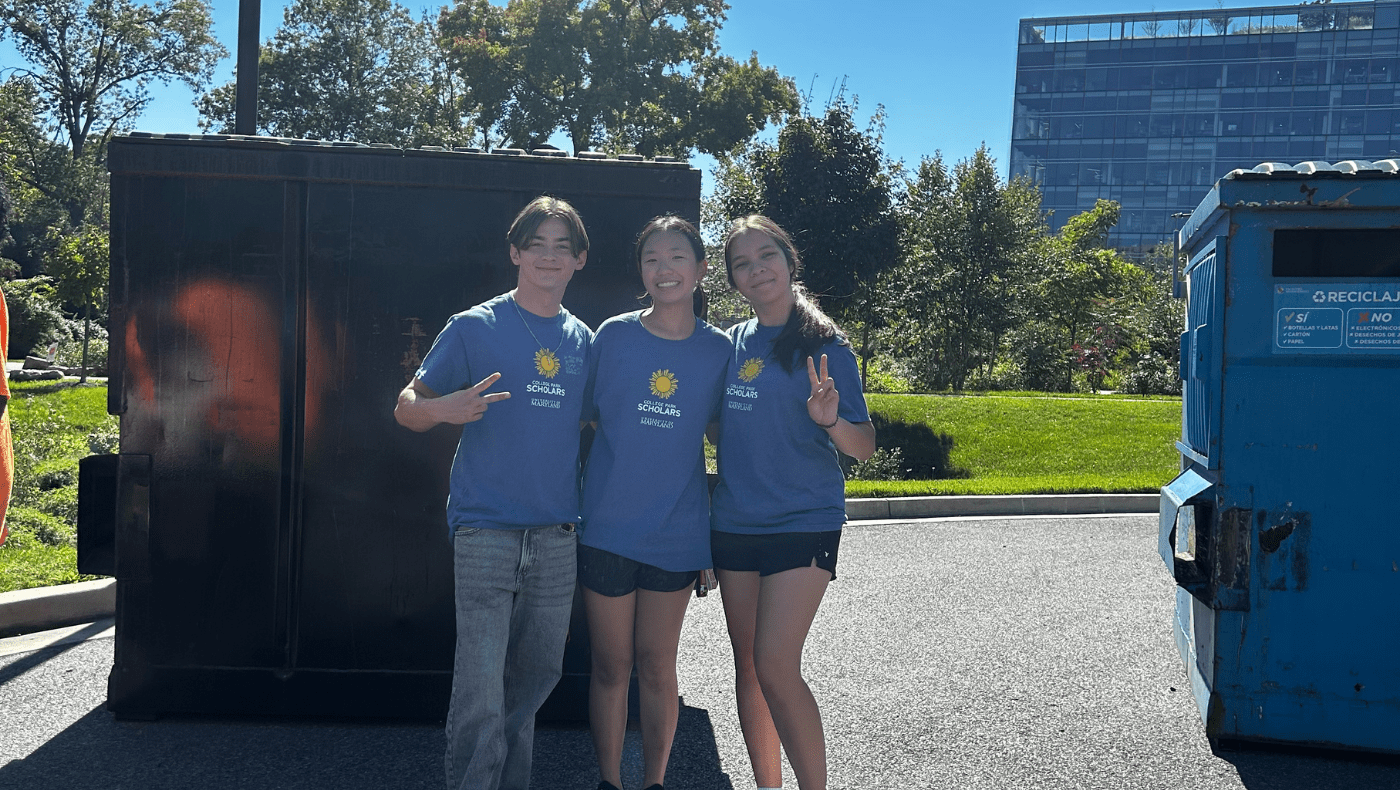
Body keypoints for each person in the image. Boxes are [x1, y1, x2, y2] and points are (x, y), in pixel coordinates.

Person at [394, 196, 593, 790]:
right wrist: (443, 409)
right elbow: (405, 408)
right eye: (538, 244)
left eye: (563, 246)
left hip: (557, 531)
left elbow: (597, 426)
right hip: (486, 529)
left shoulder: (584, 339)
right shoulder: (473, 326)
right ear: (515, 252)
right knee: (480, 684)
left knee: (535, 679)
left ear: (580, 260)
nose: (549, 257)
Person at [710, 215, 876, 790]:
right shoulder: (729, 345)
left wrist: (830, 422)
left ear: (788, 260)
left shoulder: (826, 348)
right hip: (733, 522)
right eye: (742, 263)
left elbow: (864, 447)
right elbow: (716, 427)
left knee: (776, 664)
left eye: (766, 256)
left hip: (804, 521)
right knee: (749, 667)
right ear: (733, 280)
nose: (757, 270)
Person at [578, 216, 730, 790]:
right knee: (611, 667)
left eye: (676, 258)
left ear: (700, 269)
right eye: (652, 259)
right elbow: (584, 415)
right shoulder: (612, 336)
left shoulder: (720, 351)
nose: (664, 269)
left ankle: (654, 782)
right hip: (607, 529)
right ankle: (610, 782)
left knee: (657, 668)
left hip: (676, 532)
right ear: (641, 270)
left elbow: (724, 438)